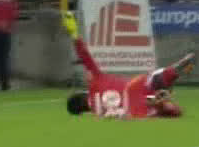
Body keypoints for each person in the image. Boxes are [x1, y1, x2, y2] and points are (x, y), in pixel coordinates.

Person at [61, 12, 191, 119]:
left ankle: (162, 106)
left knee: (165, 112)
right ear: (82, 94)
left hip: (134, 110)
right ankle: (171, 73)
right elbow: (86, 57)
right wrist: (74, 34)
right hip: (134, 87)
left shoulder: (99, 113)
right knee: (153, 79)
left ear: (83, 111)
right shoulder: (94, 82)